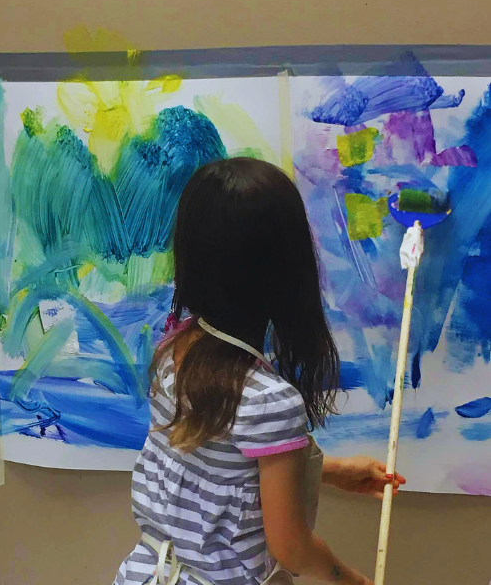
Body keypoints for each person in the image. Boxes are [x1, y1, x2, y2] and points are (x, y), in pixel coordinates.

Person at [114, 158, 406, 585]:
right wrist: (352, 581)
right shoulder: (270, 400)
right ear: (288, 269)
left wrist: (330, 470)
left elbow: (223, 470)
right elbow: (292, 548)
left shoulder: (175, 348)